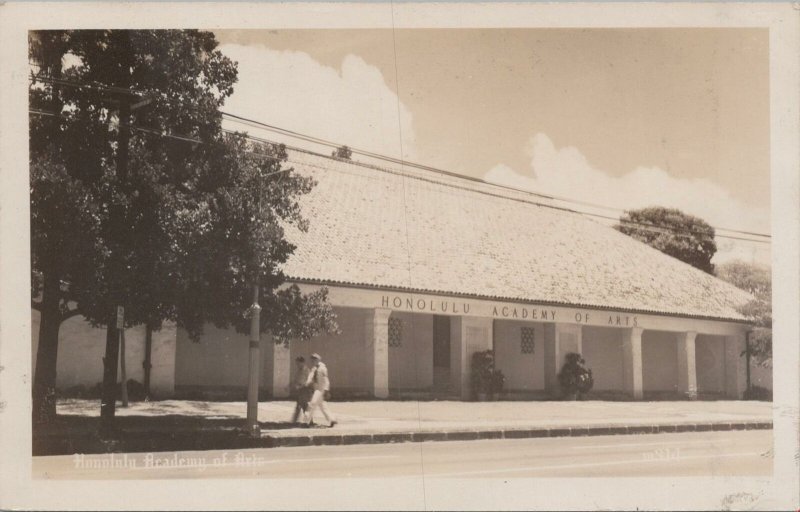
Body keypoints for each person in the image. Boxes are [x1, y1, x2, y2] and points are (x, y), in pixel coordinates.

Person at [305, 353, 337, 427]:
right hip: (316, 388)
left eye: (315, 359)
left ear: (318, 359)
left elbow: (326, 379)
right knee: (322, 406)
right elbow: (310, 376)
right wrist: (307, 383)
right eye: (312, 359)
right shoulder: (314, 368)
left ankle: (306, 421)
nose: (313, 361)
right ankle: (332, 419)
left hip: (321, 389)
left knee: (312, 403)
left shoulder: (323, 368)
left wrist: (326, 389)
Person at [291, 356, 312, 424]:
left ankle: (295, 421)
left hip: (305, 390)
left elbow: (309, 381)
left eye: (298, 363)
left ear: (302, 362)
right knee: (302, 406)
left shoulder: (307, 370)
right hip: (300, 390)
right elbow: (295, 379)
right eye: (296, 363)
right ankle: (308, 420)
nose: (297, 365)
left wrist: (301, 386)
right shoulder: (299, 370)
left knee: (302, 406)